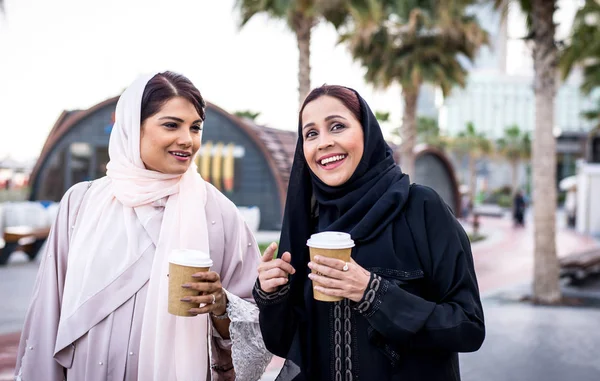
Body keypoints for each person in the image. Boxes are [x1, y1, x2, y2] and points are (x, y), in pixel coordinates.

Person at [15, 72, 272, 381]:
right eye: (171, 125)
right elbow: (48, 311)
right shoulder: (80, 204)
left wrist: (220, 304)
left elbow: (257, 326)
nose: (187, 140)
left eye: (196, 127)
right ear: (131, 128)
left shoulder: (219, 213)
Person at [254, 85, 485, 381]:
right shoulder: (309, 227)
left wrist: (372, 292)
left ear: (367, 132)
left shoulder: (422, 209)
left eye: (337, 126)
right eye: (311, 134)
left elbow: (468, 327)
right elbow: (285, 344)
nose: (323, 142)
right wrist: (273, 295)